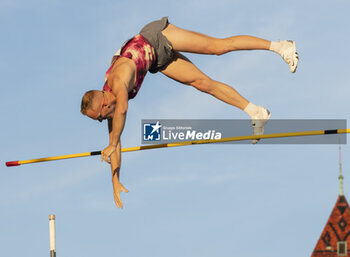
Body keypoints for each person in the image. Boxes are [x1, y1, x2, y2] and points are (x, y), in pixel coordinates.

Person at [80, 17, 298, 208]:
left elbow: (121, 117)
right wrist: (115, 180)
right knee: (203, 84)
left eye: (99, 117)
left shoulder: (118, 83)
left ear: (104, 105)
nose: (101, 121)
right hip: (157, 59)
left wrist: (112, 143)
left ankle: (280, 46)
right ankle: (256, 112)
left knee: (218, 47)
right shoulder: (111, 105)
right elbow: (114, 143)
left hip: (158, 36)